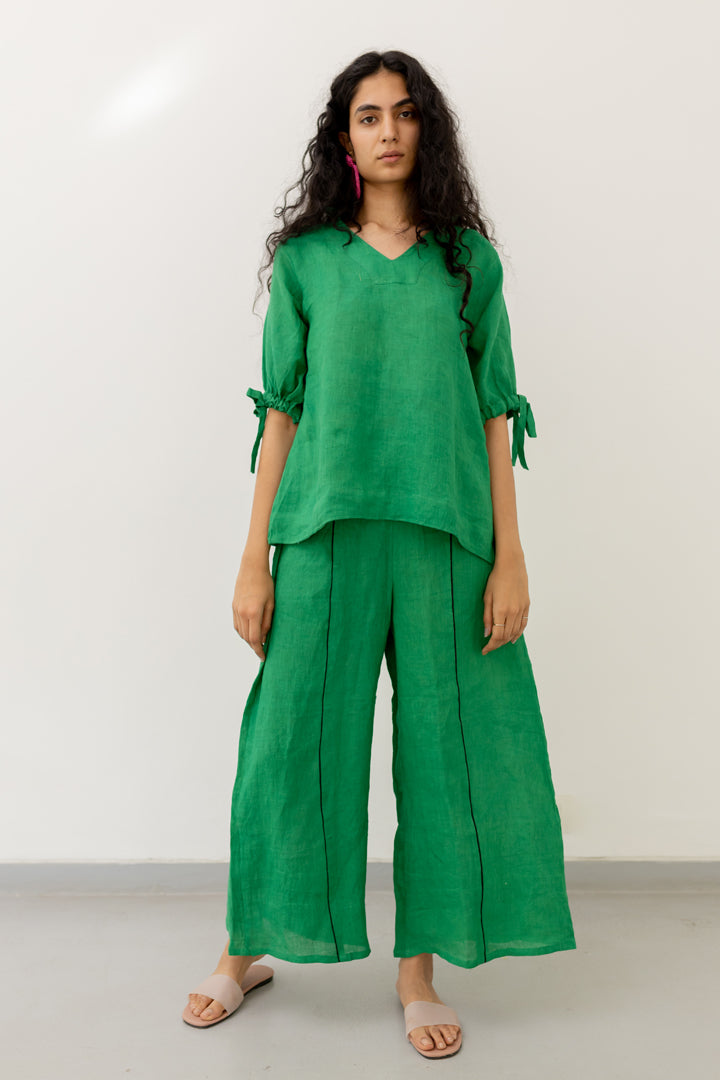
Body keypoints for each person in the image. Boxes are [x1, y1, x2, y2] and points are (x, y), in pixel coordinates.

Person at [182, 49, 576, 1059]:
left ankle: (417, 973)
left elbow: (495, 412)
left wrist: (512, 557)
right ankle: (244, 949)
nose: (388, 129)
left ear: (424, 129)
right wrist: (254, 558)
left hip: (449, 537)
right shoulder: (307, 263)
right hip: (323, 532)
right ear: (344, 138)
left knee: (446, 756)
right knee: (289, 744)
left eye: (404, 113)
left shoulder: (467, 262)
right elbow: (280, 413)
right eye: (368, 115)